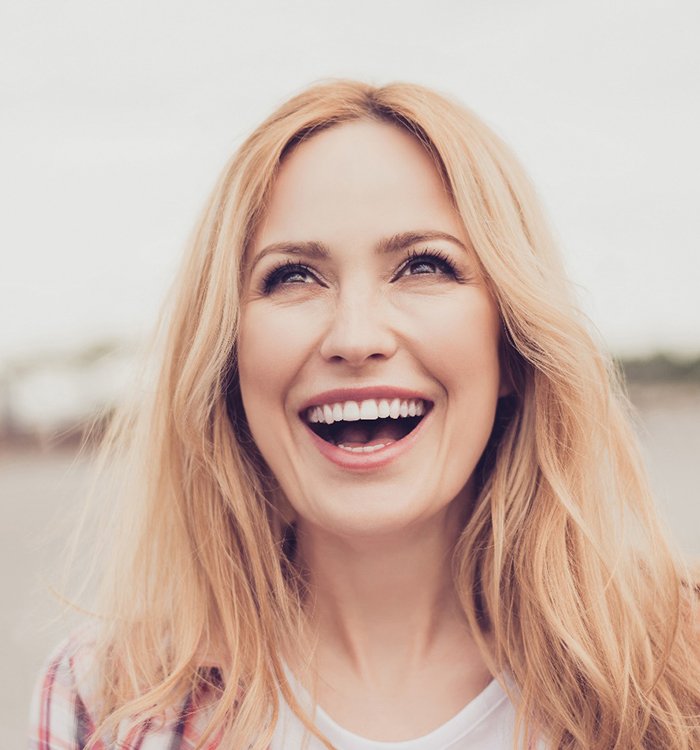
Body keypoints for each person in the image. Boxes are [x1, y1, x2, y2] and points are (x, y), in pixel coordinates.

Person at [28, 80, 699, 750]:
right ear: (229, 358)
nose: (354, 336)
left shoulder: (677, 672)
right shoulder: (107, 701)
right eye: (292, 276)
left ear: (514, 345)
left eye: (424, 266)